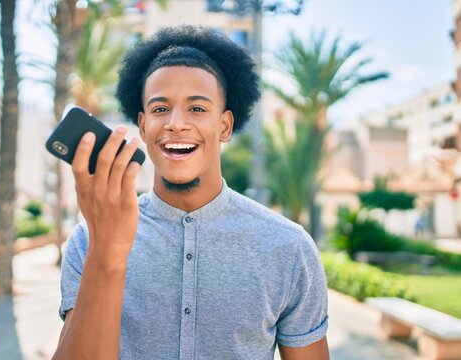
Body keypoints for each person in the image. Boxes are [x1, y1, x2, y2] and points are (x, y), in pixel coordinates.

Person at [53, 25, 329, 360]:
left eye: (197, 108)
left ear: (224, 125)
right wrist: (106, 251)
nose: (176, 123)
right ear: (142, 126)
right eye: (159, 109)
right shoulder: (87, 240)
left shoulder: (289, 247)